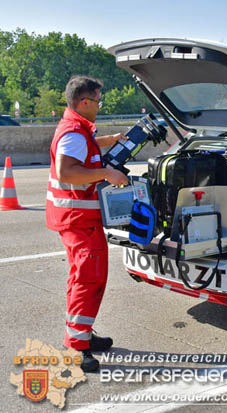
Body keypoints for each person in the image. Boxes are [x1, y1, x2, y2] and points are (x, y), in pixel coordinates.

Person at [46, 75, 129, 372]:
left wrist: (110, 141)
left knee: (82, 278)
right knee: (88, 280)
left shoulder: (78, 128)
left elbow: (87, 146)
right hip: (79, 221)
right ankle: (77, 346)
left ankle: (82, 333)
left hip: (74, 219)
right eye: (97, 101)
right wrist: (107, 174)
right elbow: (67, 171)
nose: (99, 106)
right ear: (85, 102)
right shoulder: (74, 133)